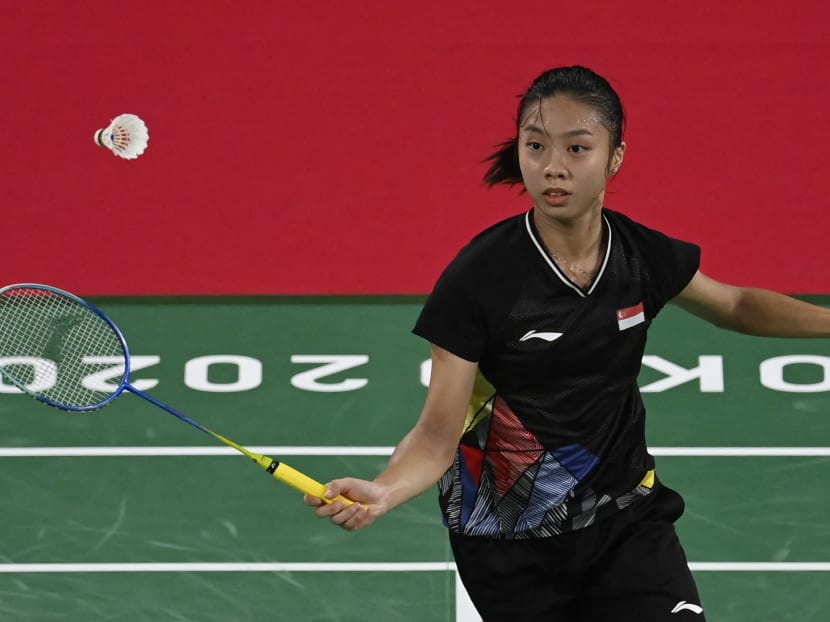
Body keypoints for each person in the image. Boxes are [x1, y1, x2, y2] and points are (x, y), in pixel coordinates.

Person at [304, 65, 830, 621]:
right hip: (511, 541)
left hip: (625, 519)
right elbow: (438, 435)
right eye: (535, 146)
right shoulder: (481, 280)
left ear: (615, 157)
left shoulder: (638, 257)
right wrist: (384, 490)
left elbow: (736, 305)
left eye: (577, 149)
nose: (553, 167)